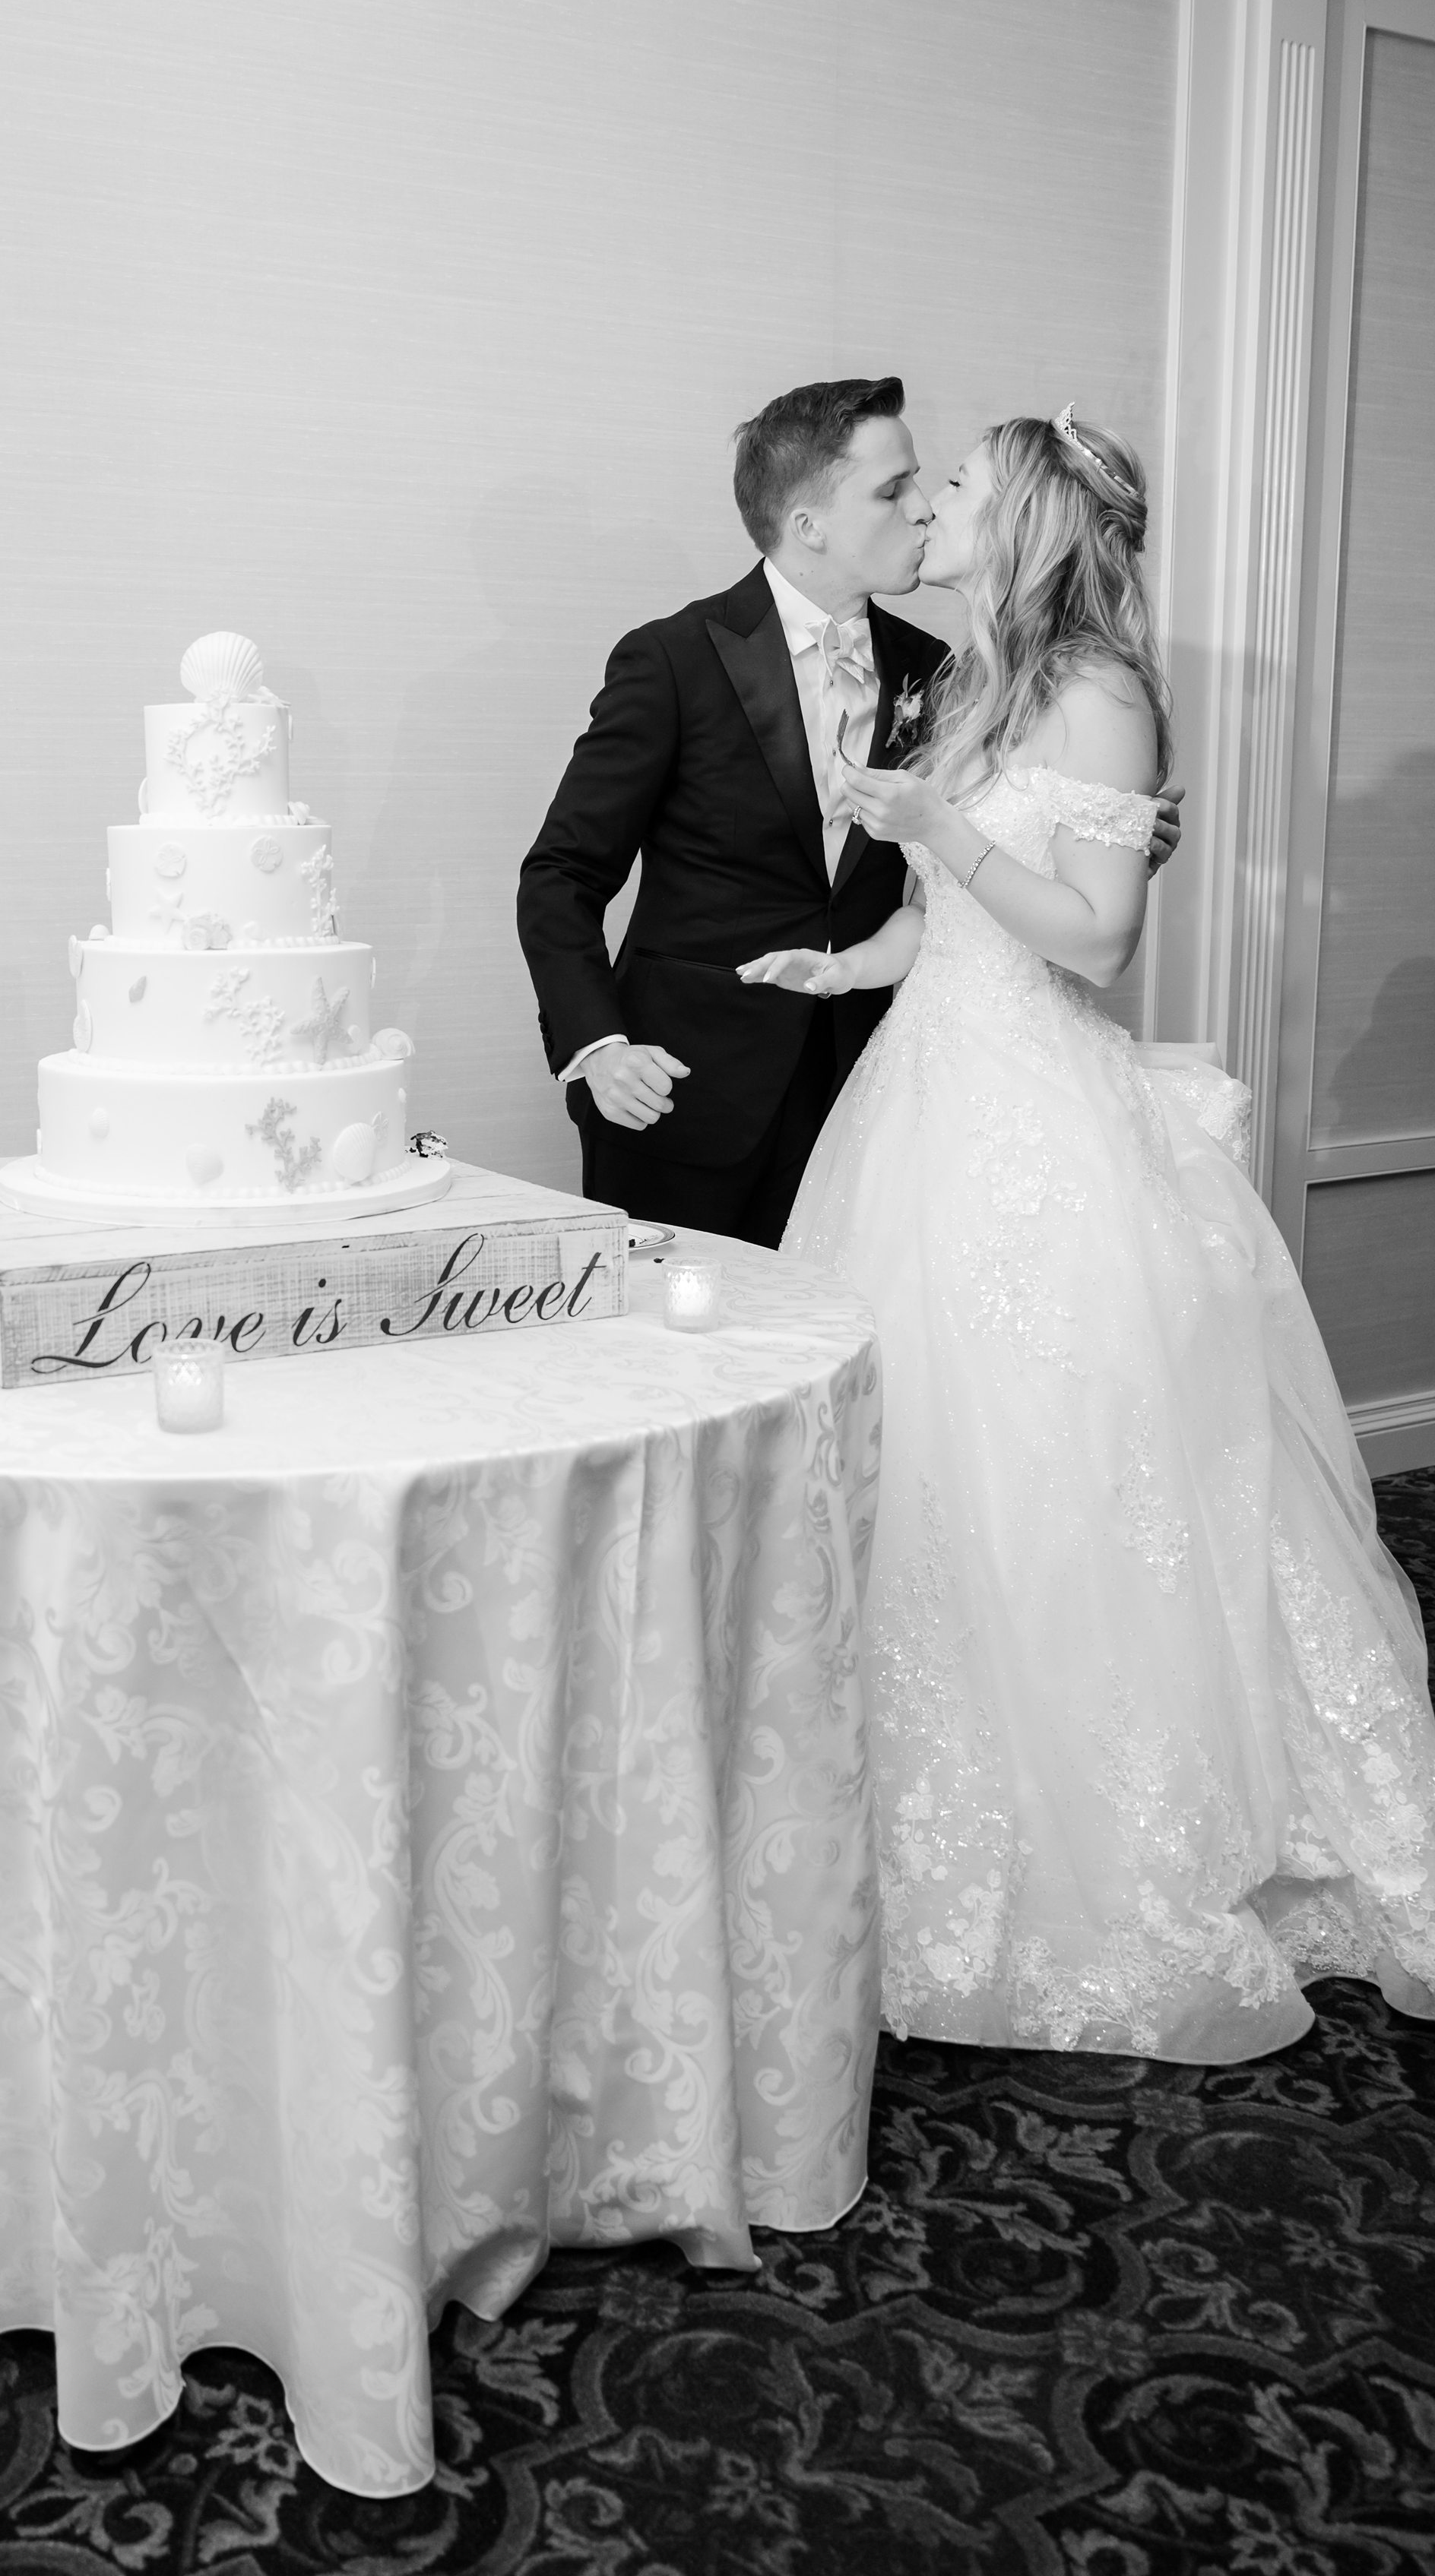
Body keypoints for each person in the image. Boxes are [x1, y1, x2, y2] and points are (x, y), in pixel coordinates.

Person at [742, 408, 1435, 2062]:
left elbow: (1099, 944)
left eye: (964, 484)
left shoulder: (1103, 693)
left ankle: (1121, 1826)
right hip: (924, 1106)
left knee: (1062, 1464)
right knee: (927, 1476)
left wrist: (943, 830)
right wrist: (840, 966)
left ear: (1033, 515)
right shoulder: (971, 681)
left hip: (1040, 1126)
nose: (942, 505)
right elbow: (945, 927)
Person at [517, 378, 1183, 1248]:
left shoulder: (947, 674)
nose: (920, 509)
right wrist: (598, 1047)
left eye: (928, 482)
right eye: (892, 489)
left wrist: (1109, 840)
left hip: (878, 1098)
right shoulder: (672, 660)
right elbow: (562, 876)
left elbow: (993, 860)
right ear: (810, 526)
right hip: (688, 1096)